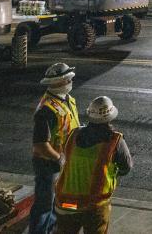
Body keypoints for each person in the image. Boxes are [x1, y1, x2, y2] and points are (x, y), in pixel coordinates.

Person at [54, 96, 133, 234]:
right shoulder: (115, 141)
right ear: (110, 117)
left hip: (67, 203)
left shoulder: (74, 134)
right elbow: (126, 167)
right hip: (93, 206)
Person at [30, 63, 80, 234]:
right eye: (68, 80)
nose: (71, 82)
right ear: (60, 82)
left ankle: (50, 230)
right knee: (45, 205)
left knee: (56, 202)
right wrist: (58, 158)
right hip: (48, 165)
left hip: (62, 161)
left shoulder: (67, 99)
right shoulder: (46, 110)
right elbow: (40, 145)